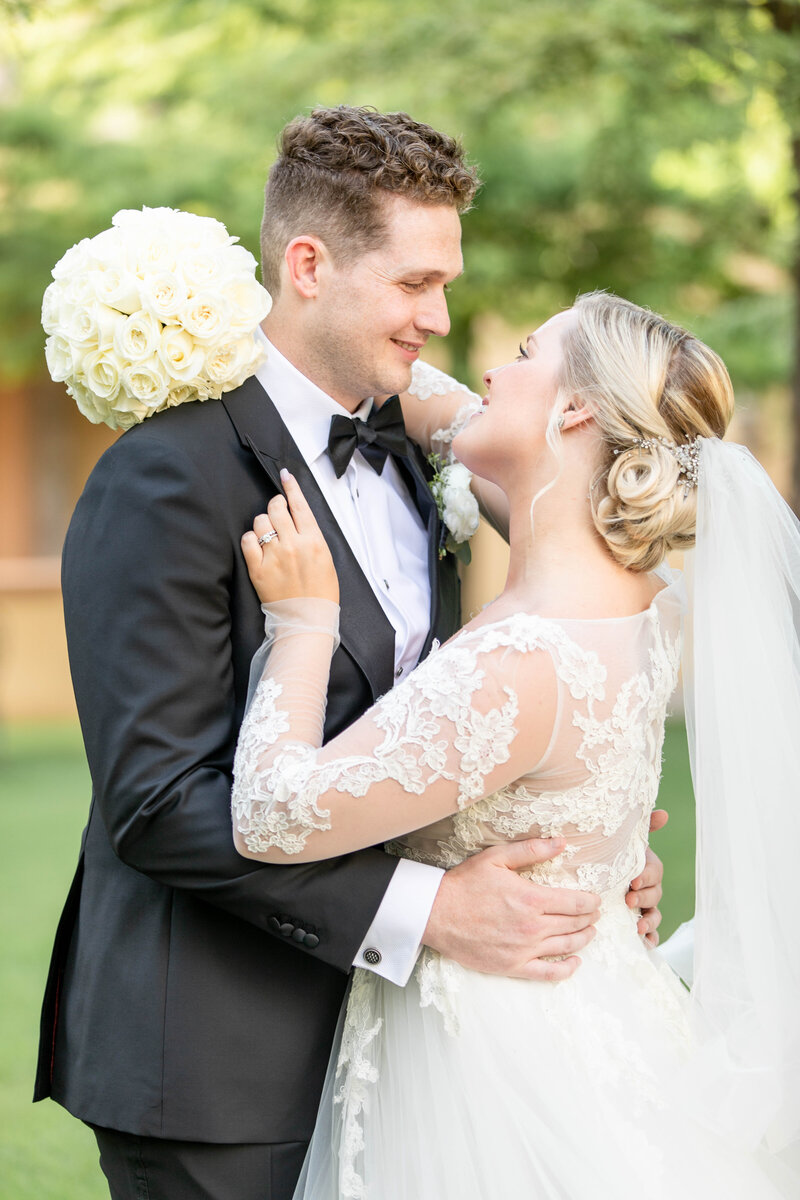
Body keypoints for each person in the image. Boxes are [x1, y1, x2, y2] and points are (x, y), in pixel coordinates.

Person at [34, 108, 666, 1200]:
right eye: (414, 284)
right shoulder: (166, 476)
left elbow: (424, 725)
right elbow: (156, 801)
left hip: (399, 1057)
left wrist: (573, 852)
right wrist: (431, 912)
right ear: (309, 264)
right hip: (216, 1067)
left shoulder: (421, 458)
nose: (438, 317)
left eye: (447, 283)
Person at [232, 291, 800, 1198]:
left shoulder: (522, 661)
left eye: (529, 351)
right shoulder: (648, 598)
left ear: (575, 409)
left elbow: (271, 814)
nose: (491, 367)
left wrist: (303, 620)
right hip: (600, 1002)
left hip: (497, 1062)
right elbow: (449, 403)